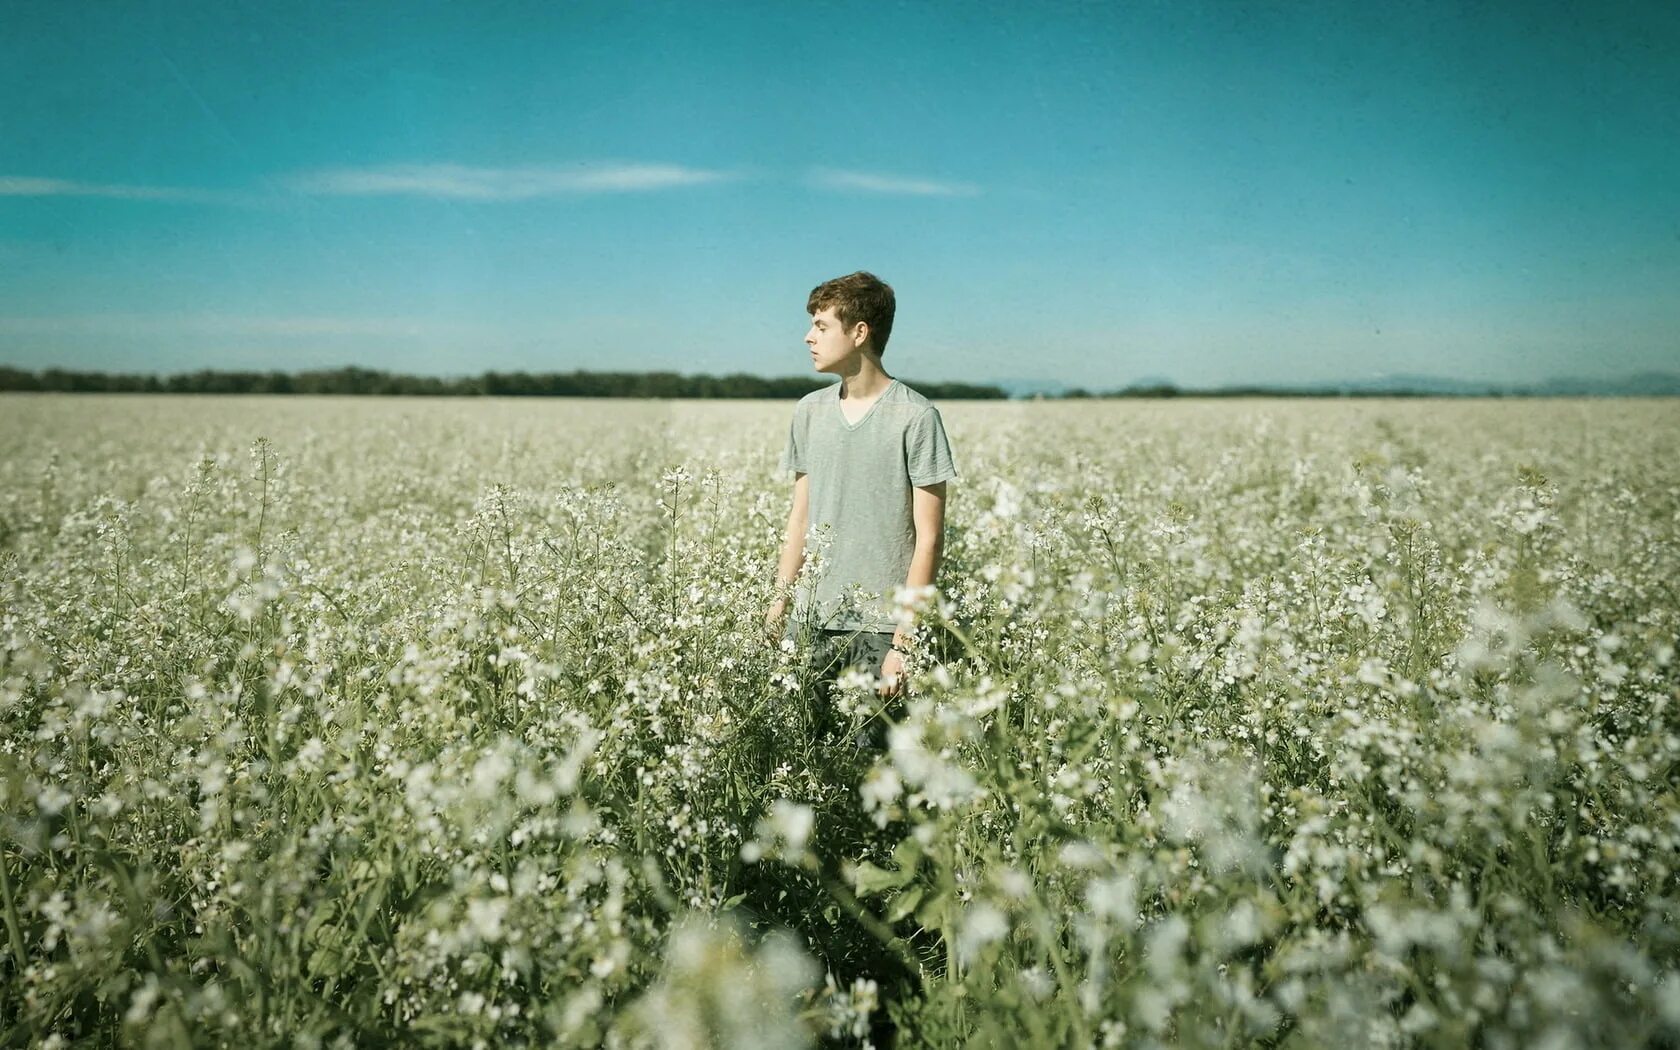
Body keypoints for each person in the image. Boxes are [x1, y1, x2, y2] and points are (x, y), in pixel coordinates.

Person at [763, 271, 958, 747]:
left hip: (880, 628)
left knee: (869, 769)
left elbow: (929, 538)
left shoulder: (917, 416)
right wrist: (778, 602)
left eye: (821, 325)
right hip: (810, 620)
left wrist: (904, 642)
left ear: (859, 332)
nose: (809, 336)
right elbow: (799, 518)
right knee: (803, 761)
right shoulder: (808, 411)